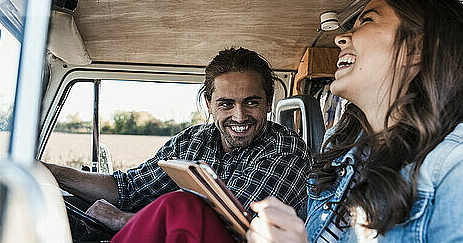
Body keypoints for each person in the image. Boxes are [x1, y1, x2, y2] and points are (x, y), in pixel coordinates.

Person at [80, 0, 463, 243]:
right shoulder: (346, 164)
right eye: (225, 103)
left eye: (367, 21)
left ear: (417, 51)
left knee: (180, 218)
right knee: (178, 227)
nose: (341, 38)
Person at [44, 47, 311, 231]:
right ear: (209, 104)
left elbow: (230, 228)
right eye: (226, 104)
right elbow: (129, 188)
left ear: (268, 103)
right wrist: (49, 172)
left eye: (251, 102)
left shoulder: (284, 149)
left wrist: (122, 220)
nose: (239, 116)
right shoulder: (194, 141)